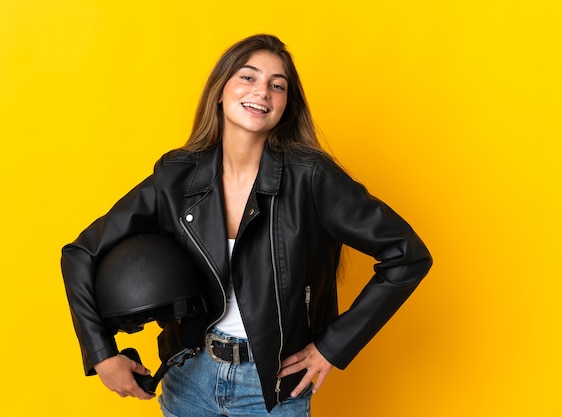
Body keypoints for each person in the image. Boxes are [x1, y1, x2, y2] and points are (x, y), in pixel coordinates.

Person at [61, 34, 432, 417]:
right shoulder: (175, 178)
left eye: (277, 85)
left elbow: (407, 255)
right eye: (248, 77)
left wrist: (332, 347)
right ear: (220, 91)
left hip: (271, 387)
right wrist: (101, 354)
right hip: (189, 378)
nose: (263, 92)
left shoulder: (312, 178)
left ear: (286, 106)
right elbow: (81, 252)